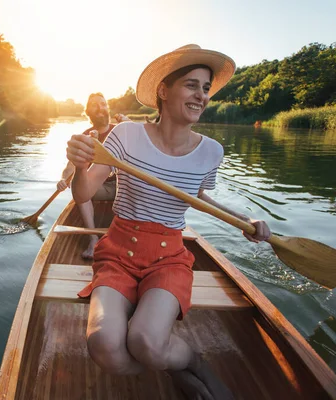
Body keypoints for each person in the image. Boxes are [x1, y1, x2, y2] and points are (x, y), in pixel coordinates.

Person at [65, 44, 272, 399]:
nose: (201, 96)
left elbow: (200, 197)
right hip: (117, 251)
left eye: (206, 88)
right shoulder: (124, 137)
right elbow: (83, 195)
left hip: (168, 256)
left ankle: (192, 361)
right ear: (164, 90)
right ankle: (175, 367)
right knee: (104, 345)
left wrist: (245, 219)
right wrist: (80, 168)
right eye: (192, 85)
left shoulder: (211, 152)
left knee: (145, 339)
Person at [57, 92, 130, 259]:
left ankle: (130, 238)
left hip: (125, 186)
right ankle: (93, 239)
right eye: (94, 105)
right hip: (101, 187)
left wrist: (131, 126)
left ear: (107, 108)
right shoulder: (85, 137)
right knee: (80, 189)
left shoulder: (122, 130)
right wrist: (63, 179)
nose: (100, 107)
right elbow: (70, 167)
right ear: (87, 112)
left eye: (103, 104)